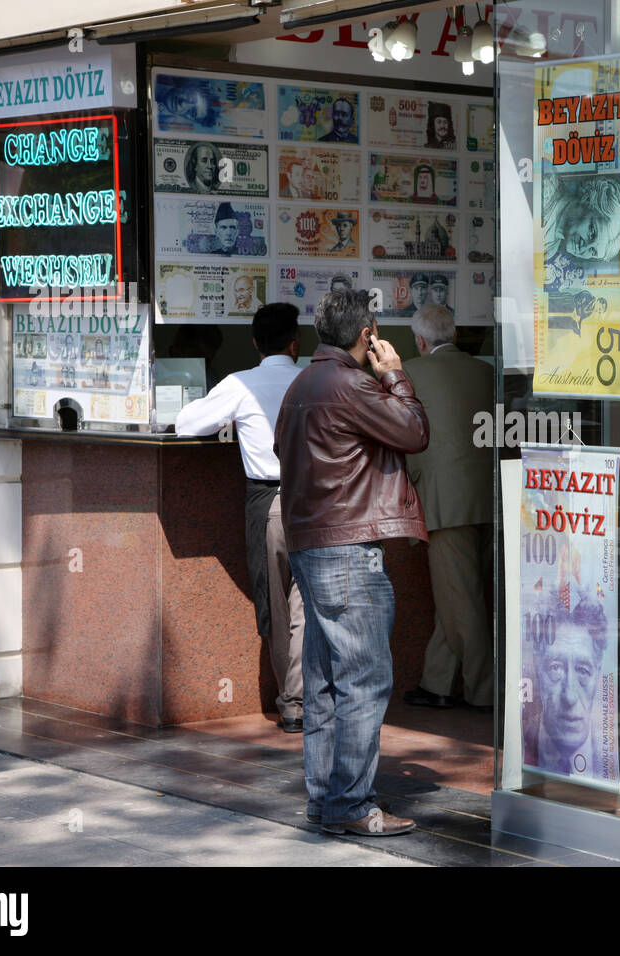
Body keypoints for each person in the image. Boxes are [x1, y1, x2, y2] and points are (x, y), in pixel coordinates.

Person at [274, 289, 429, 837]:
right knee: (363, 680)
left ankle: (326, 800)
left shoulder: (301, 385)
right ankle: (353, 804)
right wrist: (396, 375)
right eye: (375, 336)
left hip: (309, 546)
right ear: (367, 335)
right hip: (347, 549)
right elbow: (414, 432)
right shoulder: (354, 384)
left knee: (323, 681)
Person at [174, 304, 305, 734]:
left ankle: (293, 702)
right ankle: (309, 695)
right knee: (307, 602)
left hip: (268, 502)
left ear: (253, 343)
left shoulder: (240, 383)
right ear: (294, 343)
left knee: (276, 602)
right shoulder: (313, 379)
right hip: (321, 501)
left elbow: (186, 424)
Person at [400, 305, 494, 711]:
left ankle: (485, 691)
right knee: (457, 594)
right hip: (488, 497)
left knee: (463, 601)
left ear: (421, 341)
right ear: (453, 335)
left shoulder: (409, 373)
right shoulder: (485, 372)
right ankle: (436, 682)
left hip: (445, 501)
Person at [523, 598, 609, 779]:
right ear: (538, 669)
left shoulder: (610, 758)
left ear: (598, 674)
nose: (569, 696)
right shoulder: (520, 745)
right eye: (556, 668)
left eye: (583, 671)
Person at [542, 173, 620, 263]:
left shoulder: (550, 251)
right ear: (587, 200)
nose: (584, 248)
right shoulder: (545, 189)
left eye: (593, 251)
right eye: (592, 232)